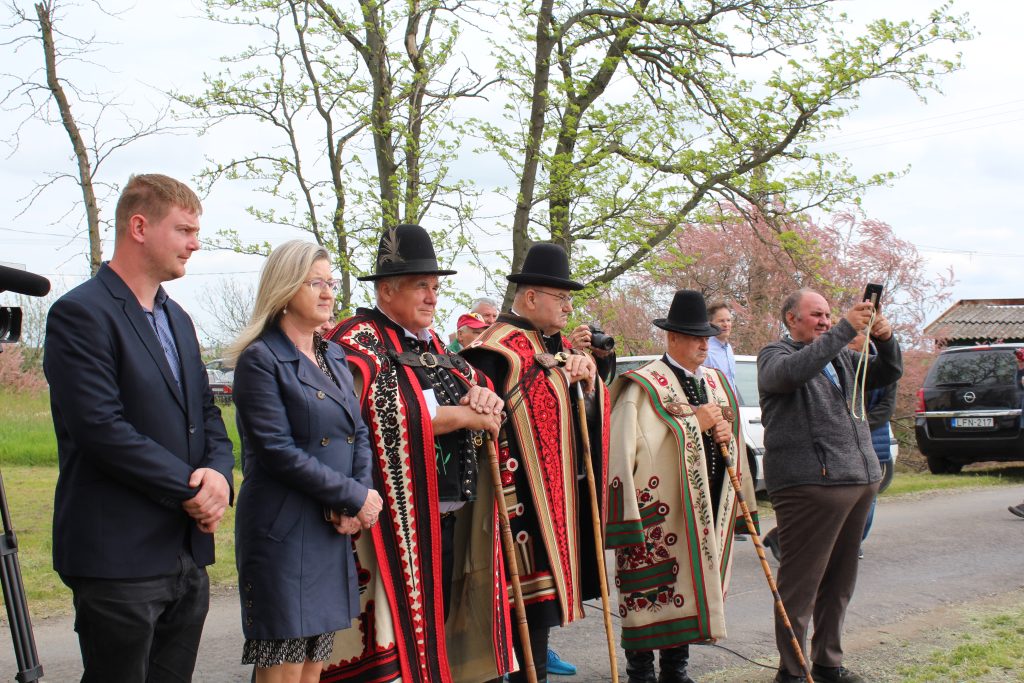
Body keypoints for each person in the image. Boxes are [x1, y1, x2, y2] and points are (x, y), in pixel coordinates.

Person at [42, 173, 235, 681]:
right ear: (140, 226)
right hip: (118, 555)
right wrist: (188, 487)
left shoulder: (179, 320)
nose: (195, 243)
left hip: (185, 552)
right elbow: (101, 428)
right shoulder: (81, 313)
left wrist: (219, 476)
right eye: (185, 230)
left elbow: (208, 413)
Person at [323, 224, 513, 683]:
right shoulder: (360, 341)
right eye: (420, 286)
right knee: (394, 645)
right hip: (387, 530)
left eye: (435, 287)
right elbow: (387, 418)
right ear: (386, 290)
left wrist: (487, 400)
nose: (432, 297)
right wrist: (465, 416)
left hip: (446, 520)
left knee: (436, 636)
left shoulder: (434, 348)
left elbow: (480, 390)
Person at [228, 241, 380, 682]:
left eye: (330, 283)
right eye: (316, 282)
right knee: (284, 668)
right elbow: (277, 451)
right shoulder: (261, 359)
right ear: (285, 287)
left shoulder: (333, 355)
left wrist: (359, 497)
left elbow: (359, 431)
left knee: (315, 665)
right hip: (284, 533)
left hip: (329, 526)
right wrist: (353, 496)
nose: (329, 292)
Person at [462, 243, 610, 683]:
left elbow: (580, 415)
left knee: (539, 619)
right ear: (530, 298)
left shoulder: (555, 346)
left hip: (554, 497)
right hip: (511, 500)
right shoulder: (492, 351)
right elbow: (484, 421)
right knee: (506, 615)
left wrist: (587, 386)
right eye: (560, 298)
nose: (568, 307)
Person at [606, 290, 756, 683]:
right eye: (695, 337)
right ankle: (640, 671)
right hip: (657, 508)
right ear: (672, 338)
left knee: (689, 585)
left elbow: (731, 439)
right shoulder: (641, 385)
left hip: (702, 503)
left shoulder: (717, 382)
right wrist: (697, 425)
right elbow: (626, 447)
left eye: (706, 336)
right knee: (648, 588)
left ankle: (676, 670)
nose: (704, 344)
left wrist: (725, 429)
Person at [757, 289, 902, 683]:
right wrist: (842, 329)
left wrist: (885, 339)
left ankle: (827, 663)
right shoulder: (775, 356)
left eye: (827, 315)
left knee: (839, 582)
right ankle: (791, 671)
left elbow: (889, 373)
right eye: (816, 315)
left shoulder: (841, 357)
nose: (824, 320)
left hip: (858, 481)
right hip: (809, 486)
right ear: (791, 319)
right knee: (800, 585)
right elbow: (793, 373)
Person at [704, 302, 737, 390]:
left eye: (728, 320)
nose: (726, 324)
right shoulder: (705, 350)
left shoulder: (728, 348)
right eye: (721, 321)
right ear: (710, 323)